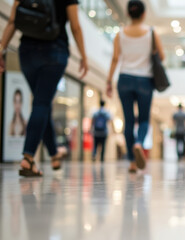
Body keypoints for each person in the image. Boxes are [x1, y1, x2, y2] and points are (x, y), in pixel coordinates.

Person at [0, 0, 88, 177]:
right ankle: (28, 157)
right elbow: (75, 26)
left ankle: (54, 154)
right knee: (42, 103)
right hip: (54, 51)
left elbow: (12, 21)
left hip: (27, 53)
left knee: (42, 103)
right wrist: (83, 56)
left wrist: (2, 48)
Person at [106, 0, 165, 173]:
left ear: (128, 14)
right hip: (145, 80)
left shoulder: (120, 34)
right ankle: (139, 143)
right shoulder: (151, 33)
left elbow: (115, 59)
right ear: (144, 14)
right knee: (144, 119)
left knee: (128, 120)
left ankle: (132, 161)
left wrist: (109, 80)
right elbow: (161, 56)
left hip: (124, 79)